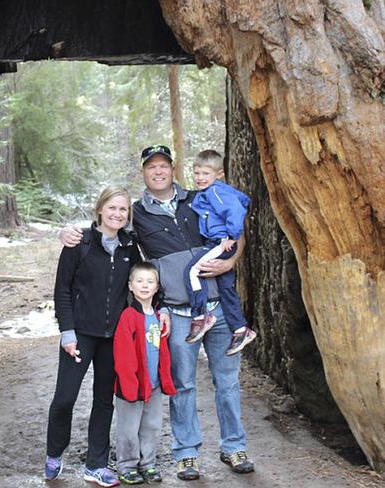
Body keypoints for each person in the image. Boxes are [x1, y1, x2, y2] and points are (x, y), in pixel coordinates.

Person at [60, 145, 255, 481]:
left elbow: (236, 227)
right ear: (144, 173)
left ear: (173, 168)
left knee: (227, 382)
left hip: (219, 308)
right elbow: (108, 228)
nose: (159, 171)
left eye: (164, 165)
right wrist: (66, 232)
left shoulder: (201, 197)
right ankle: (187, 453)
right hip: (179, 312)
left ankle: (233, 446)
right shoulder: (137, 213)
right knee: (182, 384)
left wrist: (232, 260)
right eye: (152, 167)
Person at [45, 186, 141, 487]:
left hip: (113, 338)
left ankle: (96, 465)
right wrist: (67, 332)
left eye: (123, 209)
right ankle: (54, 453)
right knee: (65, 398)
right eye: (112, 208)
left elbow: (139, 286)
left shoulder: (129, 247)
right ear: (100, 210)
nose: (117, 214)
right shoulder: (79, 243)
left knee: (104, 401)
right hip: (80, 335)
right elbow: (62, 290)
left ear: (128, 215)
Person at [183, 150, 257, 355]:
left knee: (191, 272)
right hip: (219, 240)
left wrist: (231, 236)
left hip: (219, 242)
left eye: (205, 174)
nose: (199, 178)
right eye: (196, 173)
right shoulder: (207, 193)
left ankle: (200, 316)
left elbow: (235, 210)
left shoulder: (216, 191)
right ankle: (241, 329)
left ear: (219, 173)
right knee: (226, 288)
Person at [113, 262, 176, 485]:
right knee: (129, 429)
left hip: (154, 385)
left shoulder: (159, 316)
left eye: (150, 281)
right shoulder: (128, 316)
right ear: (130, 286)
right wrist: (130, 383)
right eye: (139, 281)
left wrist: (163, 378)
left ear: (157, 286)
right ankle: (127, 465)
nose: (145, 285)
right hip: (131, 386)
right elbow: (123, 355)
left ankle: (148, 464)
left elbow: (162, 352)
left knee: (151, 426)